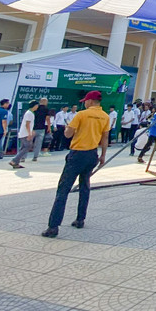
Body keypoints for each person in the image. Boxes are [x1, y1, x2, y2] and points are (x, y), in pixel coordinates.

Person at [41, 91, 109, 237]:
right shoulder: (105, 116)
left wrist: (68, 128)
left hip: (77, 154)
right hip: (92, 154)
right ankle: (80, 219)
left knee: (63, 189)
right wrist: (103, 155)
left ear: (90, 101)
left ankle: (53, 226)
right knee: (85, 186)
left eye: (85, 101)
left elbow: (68, 134)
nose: (84, 103)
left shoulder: (81, 115)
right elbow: (105, 137)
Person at [10, 100, 39, 169]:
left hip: (24, 133)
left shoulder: (29, 113)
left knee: (23, 147)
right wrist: (29, 133)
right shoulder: (29, 113)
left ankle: (16, 162)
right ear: (34, 106)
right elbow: (27, 124)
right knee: (27, 147)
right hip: (25, 133)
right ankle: (14, 160)